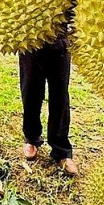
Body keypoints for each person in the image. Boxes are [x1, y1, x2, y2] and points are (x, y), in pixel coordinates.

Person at [19, 33, 78, 176]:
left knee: (60, 95)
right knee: (30, 91)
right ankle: (31, 138)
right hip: (30, 38)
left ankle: (61, 150)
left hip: (60, 39)